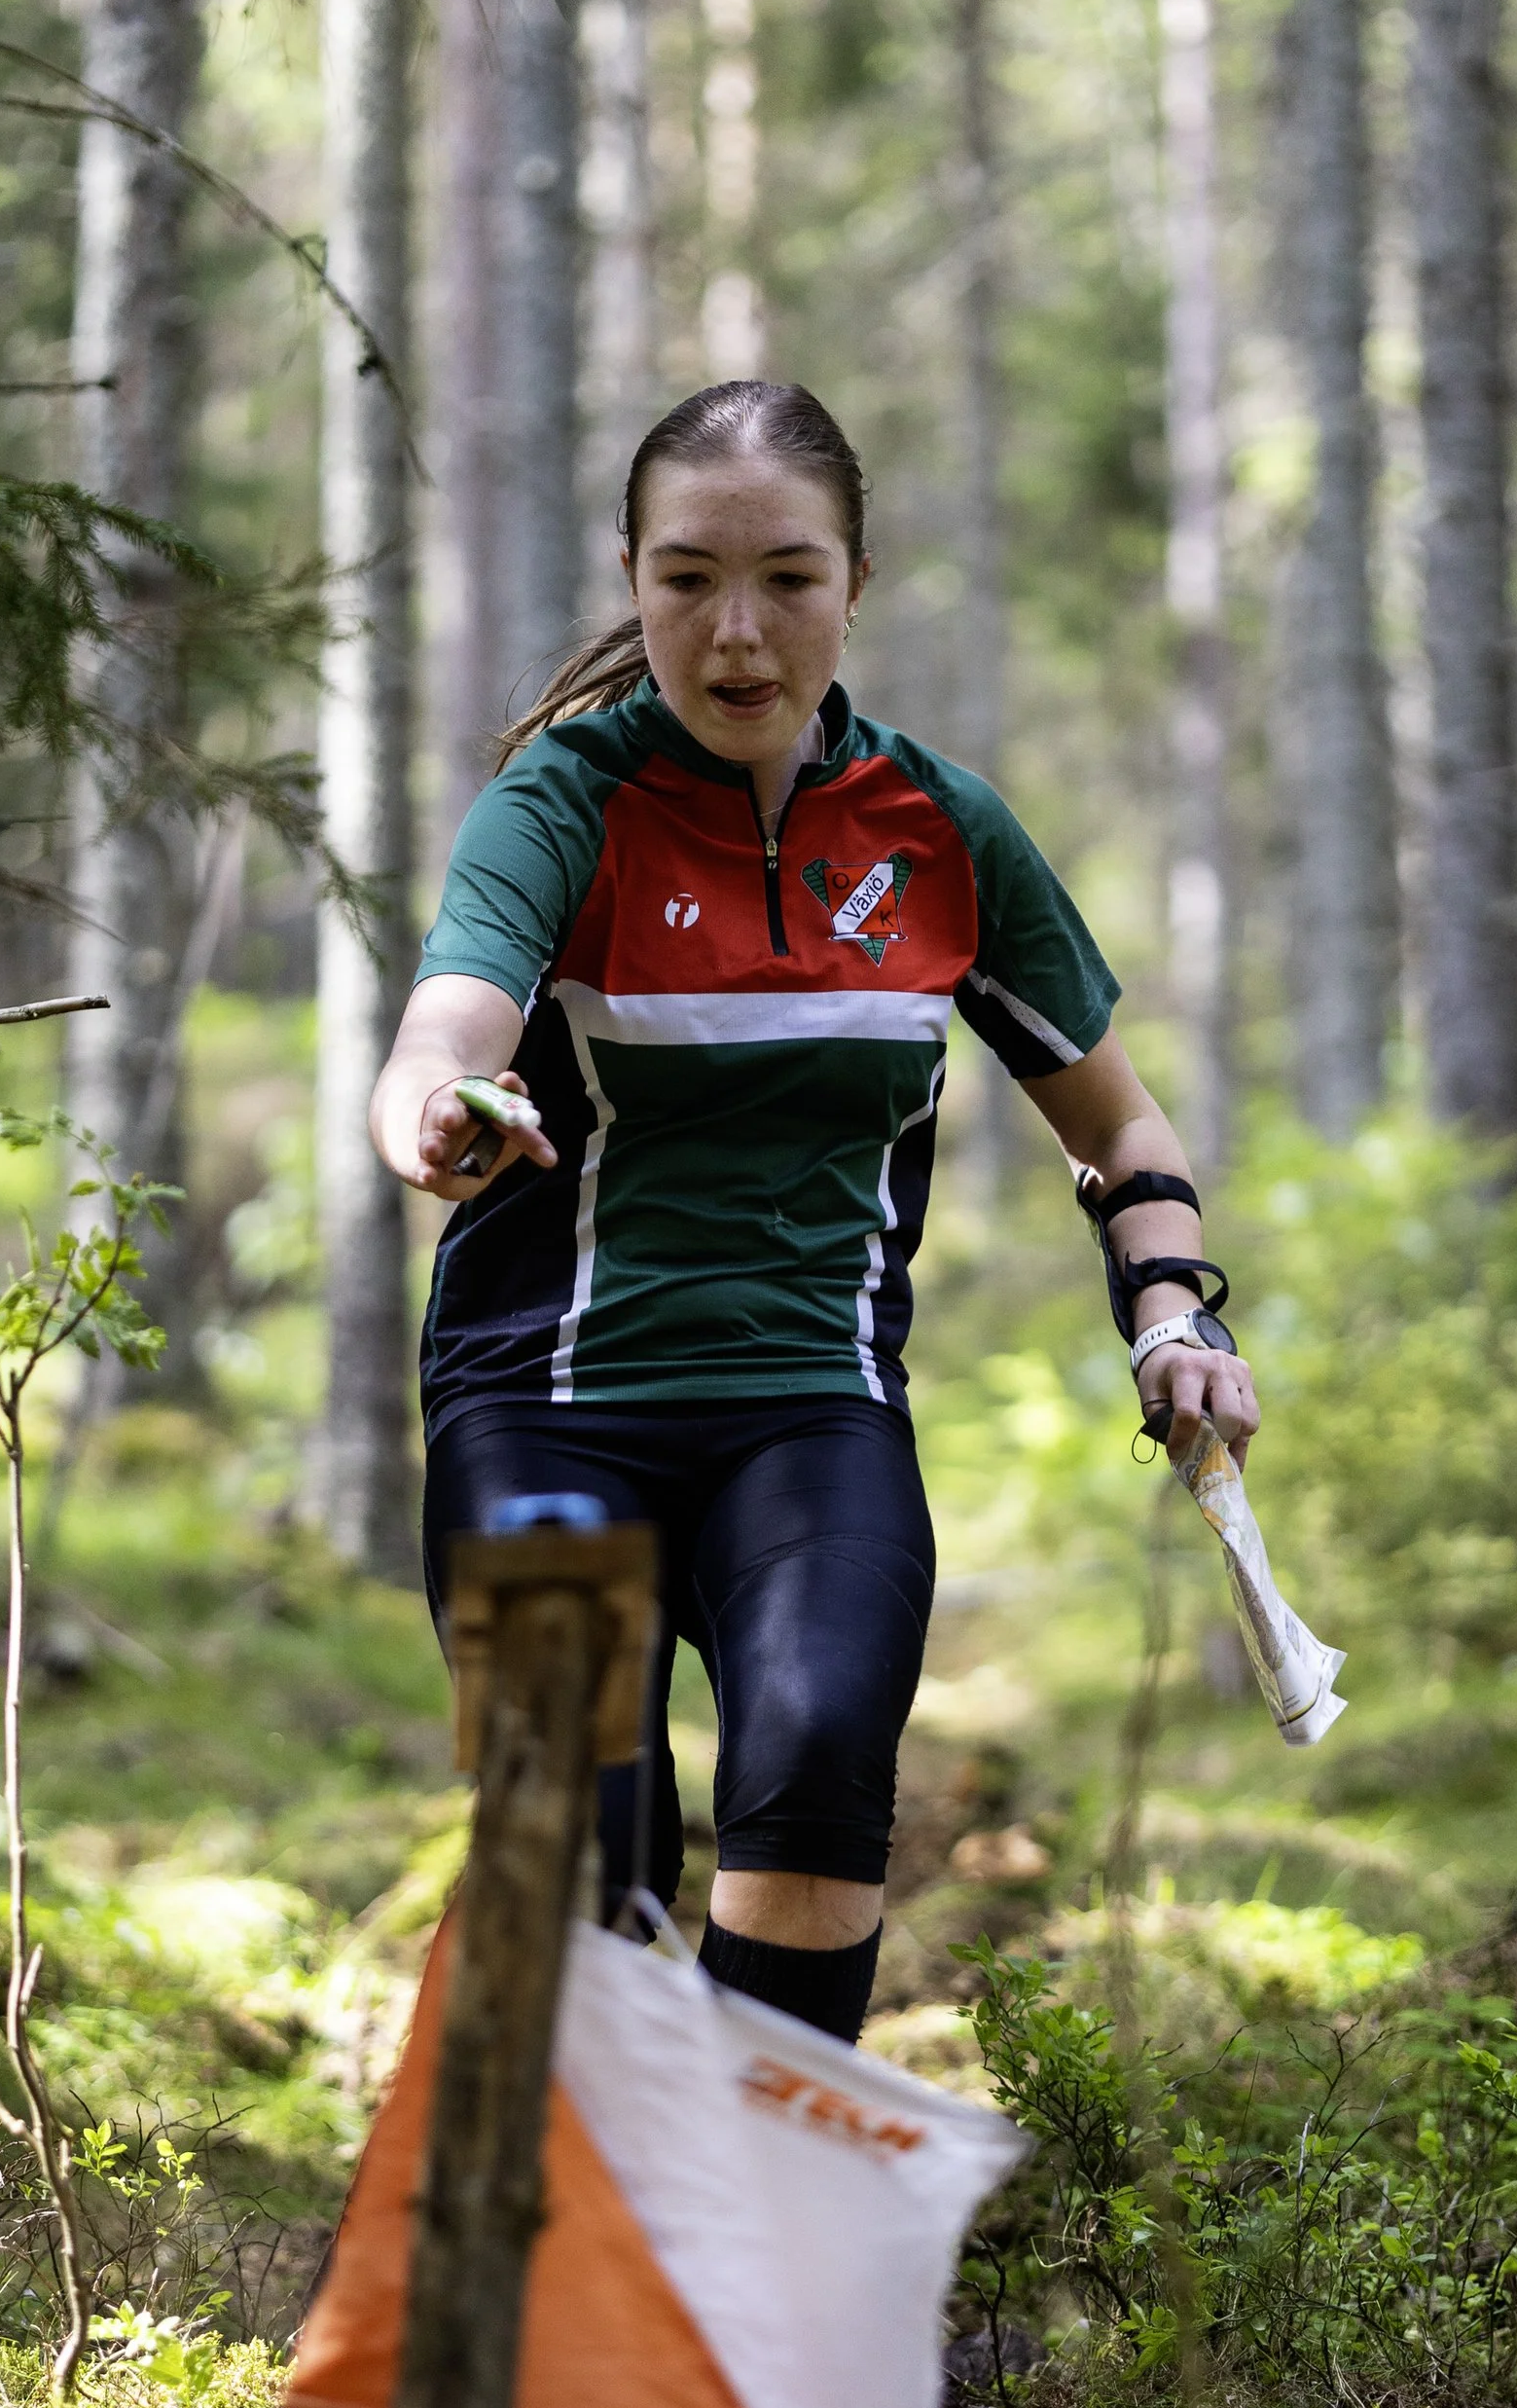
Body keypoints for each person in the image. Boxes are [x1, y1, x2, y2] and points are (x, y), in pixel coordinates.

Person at [369, 381, 1259, 2044]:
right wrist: (438, 1112)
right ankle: (538, 2246)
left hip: (809, 1403)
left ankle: (747, 2224)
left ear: (858, 582)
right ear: (632, 579)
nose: (736, 635)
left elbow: (1119, 1120)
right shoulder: (562, 806)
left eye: (787, 578)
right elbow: (444, 1032)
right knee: (586, 1848)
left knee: (824, 1759)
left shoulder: (939, 831)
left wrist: (1174, 1309)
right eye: (687, 578)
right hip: (548, 1412)